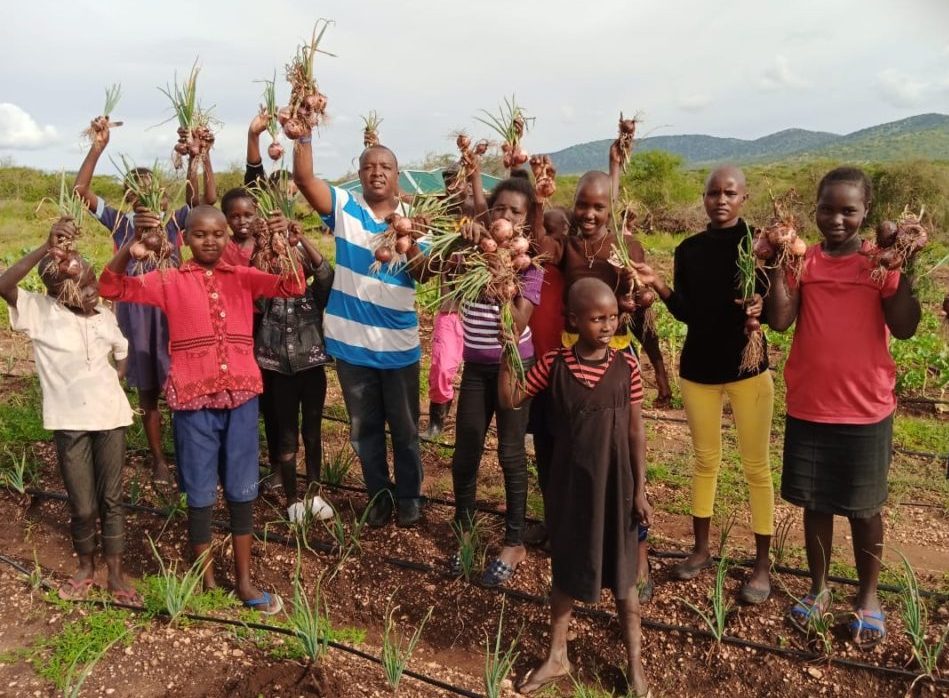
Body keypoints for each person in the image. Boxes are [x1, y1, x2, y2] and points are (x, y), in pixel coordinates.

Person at [99, 205, 305, 614]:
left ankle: (244, 582)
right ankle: (207, 580)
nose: (209, 241)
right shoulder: (169, 280)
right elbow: (110, 287)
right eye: (199, 234)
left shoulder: (243, 277)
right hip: (193, 401)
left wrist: (285, 244)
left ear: (228, 236)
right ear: (185, 239)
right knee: (199, 489)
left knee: (243, 488)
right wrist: (131, 248)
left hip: (242, 397)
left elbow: (293, 286)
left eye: (217, 234)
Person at [765, 167, 921, 648]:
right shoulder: (804, 261)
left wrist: (905, 265)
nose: (836, 219)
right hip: (810, 403)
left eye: (848, 210)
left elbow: (906, 327)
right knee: (816, 504)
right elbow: (780, 322)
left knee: (864, 508)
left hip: (865, 406)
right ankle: (818, 588)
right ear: (815, 209)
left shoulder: (878, 264)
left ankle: (868, 597)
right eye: (828, 209)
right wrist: (775, 266)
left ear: (865, 212)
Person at [500, 278, 650, 698]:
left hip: (617, 484)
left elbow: (636, 431)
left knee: (623, 578)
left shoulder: (628, 365)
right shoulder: (554, 364)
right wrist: (508, 351)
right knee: (565, 568)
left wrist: (640, 489)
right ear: (573, 320)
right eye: (596, 318)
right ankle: (557, 655)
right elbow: (512, 397)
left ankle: (635, 664)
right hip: (568, 483)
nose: (606, 326)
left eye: (612, 318)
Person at [633, 165, 774, 604]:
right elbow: (688, 313)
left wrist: (762, 302)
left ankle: (762, 565)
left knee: (757, 467)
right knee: (705, 462)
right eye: (713, 192)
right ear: (704, 197)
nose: (721, 199)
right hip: (699, 371)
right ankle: (700, 550)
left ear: (743, 197)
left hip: (749, 370)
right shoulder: (689, 249)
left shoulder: (761, 246)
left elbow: (774, 306)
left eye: (730, 192)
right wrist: (659, 284)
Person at [293, 128, 429, 528]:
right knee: (363, 431)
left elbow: (423, 274)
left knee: (405, 430)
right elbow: (304, 180)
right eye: (368, 166)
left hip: (399, 346)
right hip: (352, 346)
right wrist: (302, 137)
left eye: (385, 166)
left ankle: (410, 499)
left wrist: (412, 239)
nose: (376, 173)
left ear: (397, 176)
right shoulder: (344, 207)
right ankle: (380, 498)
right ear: (359, 173)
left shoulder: (416, 222)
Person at [534, 170, 658, 600]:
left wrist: (634, 288)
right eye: (582, 205)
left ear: (611, 208)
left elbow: (641, 297)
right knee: (569, 447)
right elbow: (536, 247)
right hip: (570, 360)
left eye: (598, 206)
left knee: (622, 454)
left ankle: (637, 554)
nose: (588, 213)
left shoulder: (625, 247)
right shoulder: (566, 246)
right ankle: (570, 538)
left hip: (616, 356)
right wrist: (537, 195)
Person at [0, 219, 138, 603]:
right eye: (83, 286)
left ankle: (115, 572)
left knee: (111, 499)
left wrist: (116, 380)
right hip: (69, 422)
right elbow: (3, 285)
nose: (93, 291)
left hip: (112, 418)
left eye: (94, 283)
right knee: (82, 502)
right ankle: (84, 567)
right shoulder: (40, 312)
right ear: (59, 291)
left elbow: (122, 352)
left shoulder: (105, 317)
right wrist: (46, 248)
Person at [73, 121, 216, 489]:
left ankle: (191, 457)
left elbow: (199, 199)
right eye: (137, 195)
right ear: (129, 200)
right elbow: (80, 191)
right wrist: (98, 147)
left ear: (163, 199)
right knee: (149, 392)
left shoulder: (175, 223)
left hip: (174, 314)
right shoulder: (120, 224)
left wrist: (194, 157)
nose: (146, 201)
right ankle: (158, 461)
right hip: (136, 317)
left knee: (184, 387)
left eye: (152, 193)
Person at [445, 175, 544, 586]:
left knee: (509, 454)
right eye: (499, 208)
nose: (505, 217)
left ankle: (514, 540)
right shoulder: (471, 253)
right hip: (474, 366)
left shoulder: (529, 264)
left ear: (526, 220)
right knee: (466, 448)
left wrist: (504, 271)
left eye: (515, 212)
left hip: (513, 367)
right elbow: (447, 291)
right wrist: (462, 246)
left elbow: (517, 321)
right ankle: (464, 527)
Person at [253, 208, 335, 521]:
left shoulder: (314, 294)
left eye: (297, 263)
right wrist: (269, 248)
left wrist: (300, 242)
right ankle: (291, 499)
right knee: (287, 436)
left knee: (312, 433)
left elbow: (325, 271)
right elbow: (255, 283)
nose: (292, 268)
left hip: (311, 371)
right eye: (285, 263)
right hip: (279, 374)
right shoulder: (267, 296)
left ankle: (314, 494)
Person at [420, 164, 473, 439]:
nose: (453, 188)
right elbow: (431, 260)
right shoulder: (441, 219)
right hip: (450, 305)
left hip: (482, 307)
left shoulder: (482, 214)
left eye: (458, 182)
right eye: (448, 183)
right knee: (442, 366)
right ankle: (437, 422)